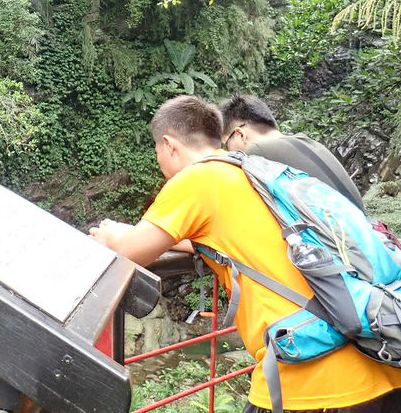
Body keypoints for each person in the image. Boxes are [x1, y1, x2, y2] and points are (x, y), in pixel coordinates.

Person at [90, 95, 401, 413]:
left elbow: (131, 252)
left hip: (315, 380)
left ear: (169, 145)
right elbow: (218, 239)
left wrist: (111, 235)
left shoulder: (196, 180)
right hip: (378, 356)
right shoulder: (252, 170)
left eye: (156, 152)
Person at [220, 94, 364, 209]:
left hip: (338, 243)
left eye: (226, 144)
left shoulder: (256, 152)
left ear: (240, 134)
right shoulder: (307, 142)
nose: (228, 150)